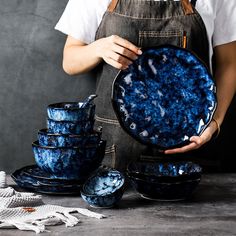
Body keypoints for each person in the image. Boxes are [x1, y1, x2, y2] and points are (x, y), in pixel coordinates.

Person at [55, 0, 236, 171]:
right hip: (114, 151)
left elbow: (229, 63)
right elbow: (70, 61)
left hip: (193, 146)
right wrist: (98, 48)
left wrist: (214, 122)